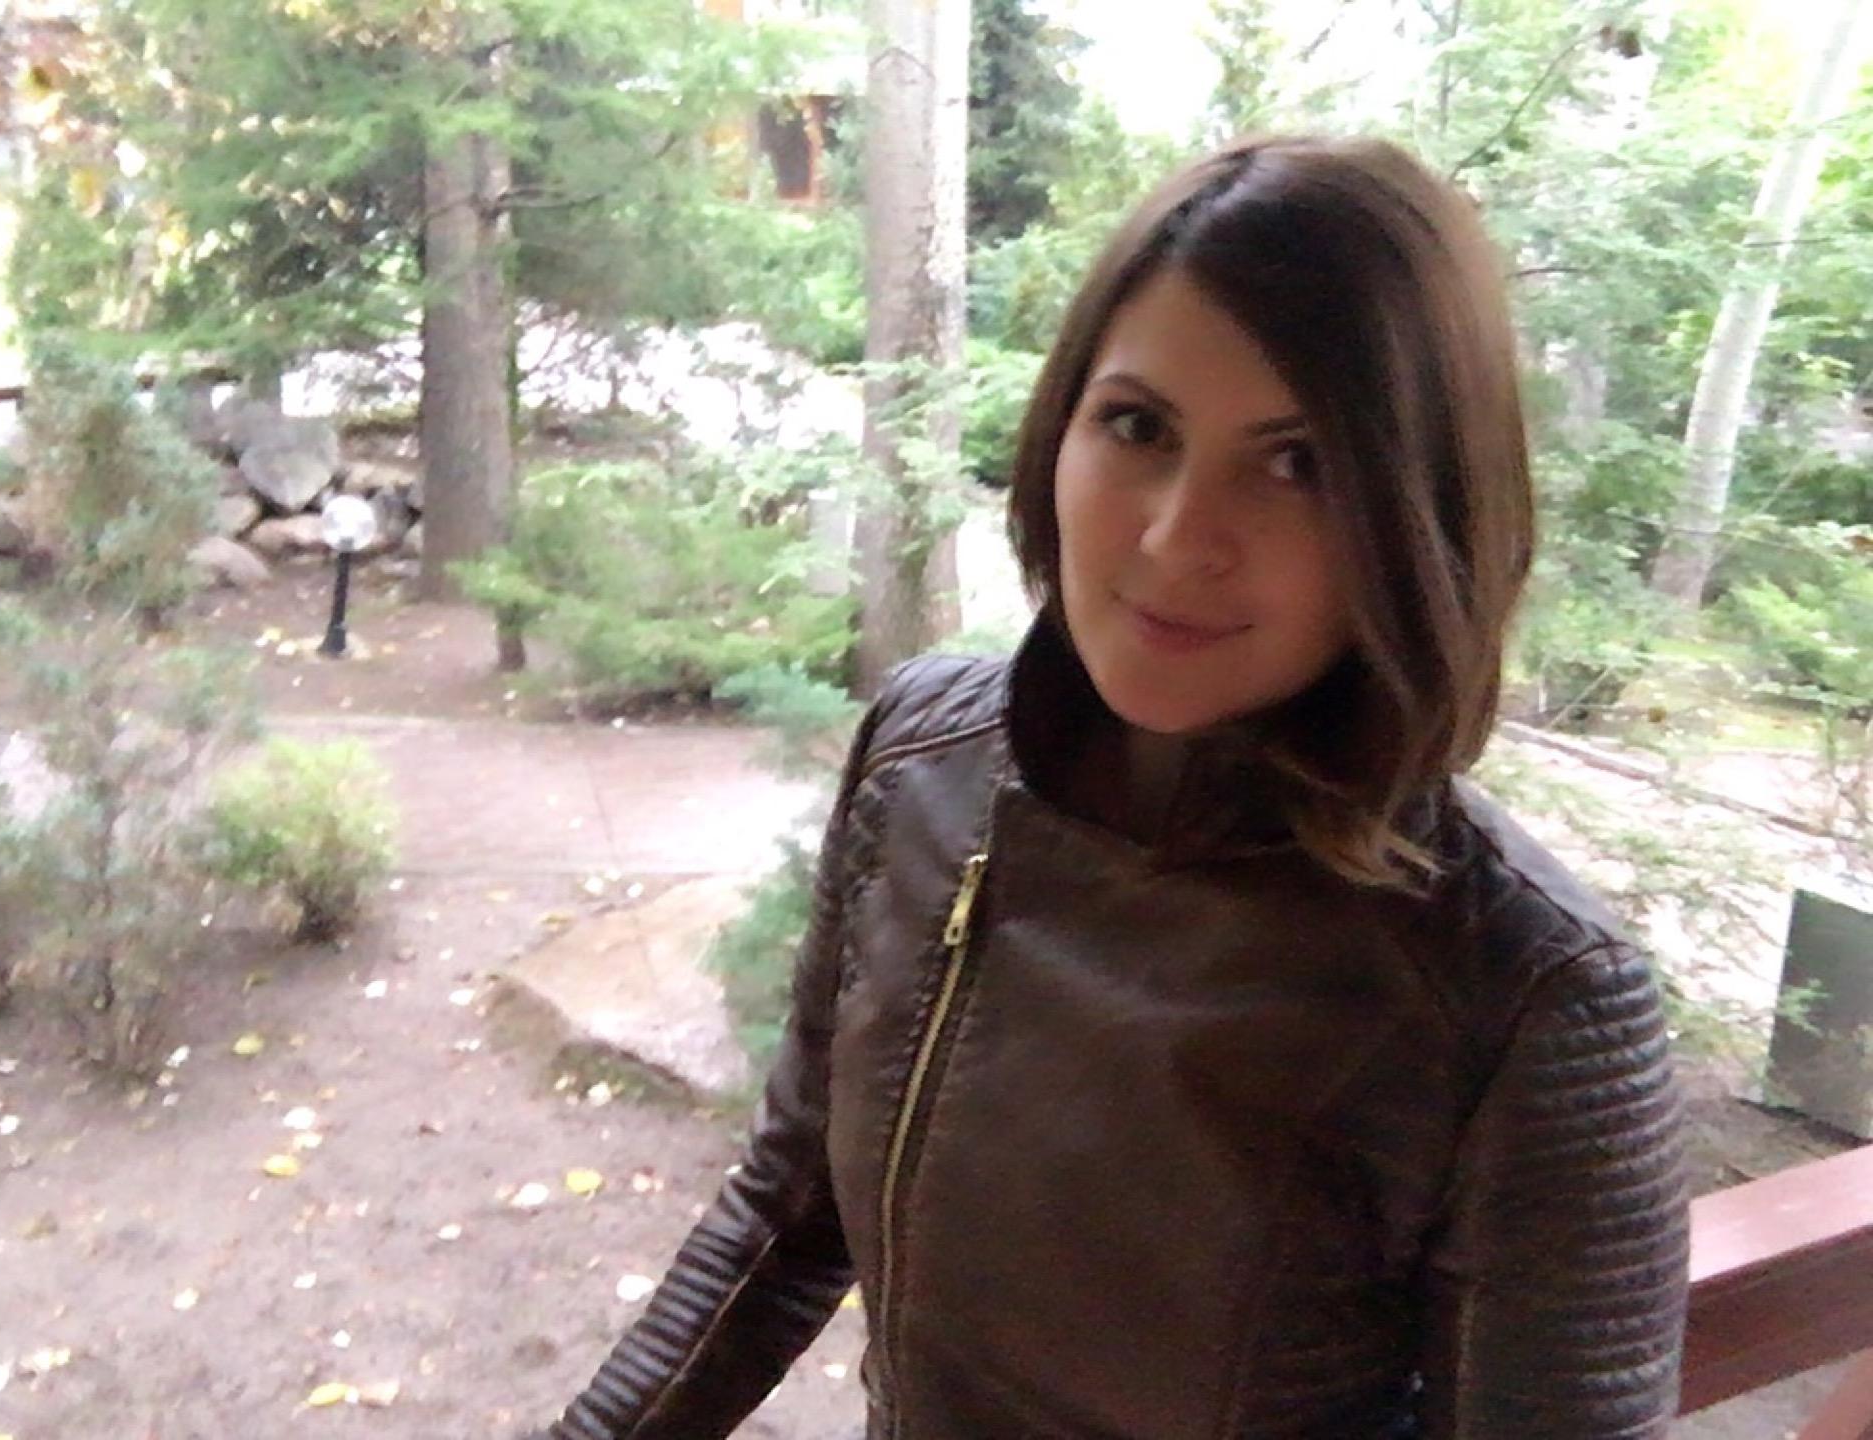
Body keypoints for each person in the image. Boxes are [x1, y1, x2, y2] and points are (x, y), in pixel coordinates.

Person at [534, 134, 1691, 1440]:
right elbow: (789, 1210)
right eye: (1141, 427)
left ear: (1420, 516)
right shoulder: (922, 762)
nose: (1178, 535)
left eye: (1298, 462)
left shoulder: (1526, 998)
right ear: (1060, 430)